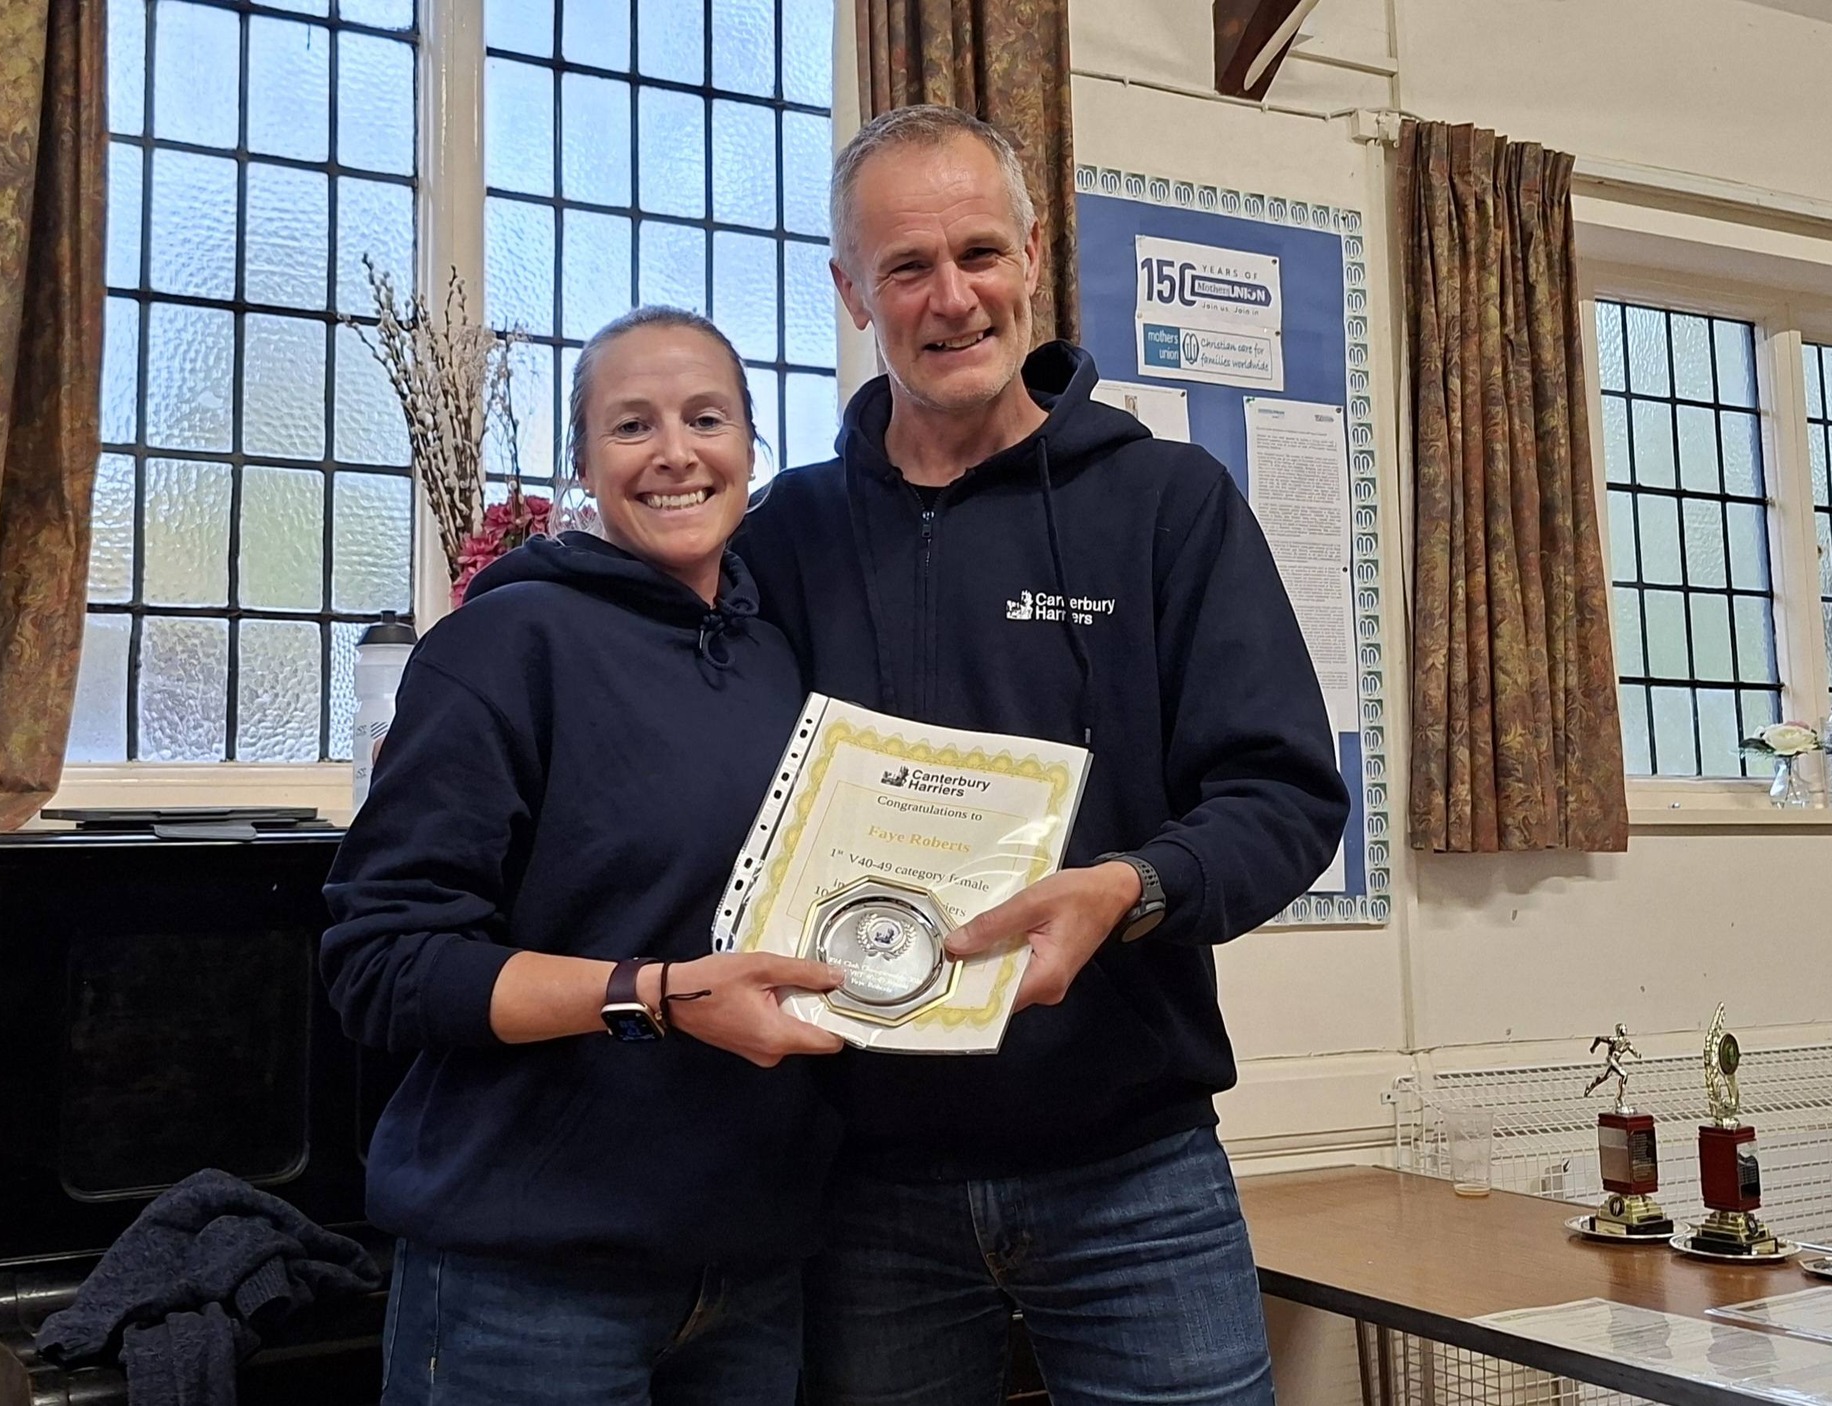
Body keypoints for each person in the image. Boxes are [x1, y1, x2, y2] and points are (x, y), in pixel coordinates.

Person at [734, 105, 1351, 1406]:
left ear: (1031, 254)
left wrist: (1130, 887)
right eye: (906, 267)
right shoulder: (786, 533)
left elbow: (1284, 795)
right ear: (850, 291)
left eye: (978, 253)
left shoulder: (1169, 503)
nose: (951, 297)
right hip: (862, 1182)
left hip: (1134, 1169)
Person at [321, 306, 848, 1406]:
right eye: (631, 424)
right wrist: (655, 997)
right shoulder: (502, 644)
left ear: (752, 447)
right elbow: (383, 963)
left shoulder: (780, 660)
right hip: (527, 1283)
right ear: (582, 463)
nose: (675, 453)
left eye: (707, 418)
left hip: (755, 1270)